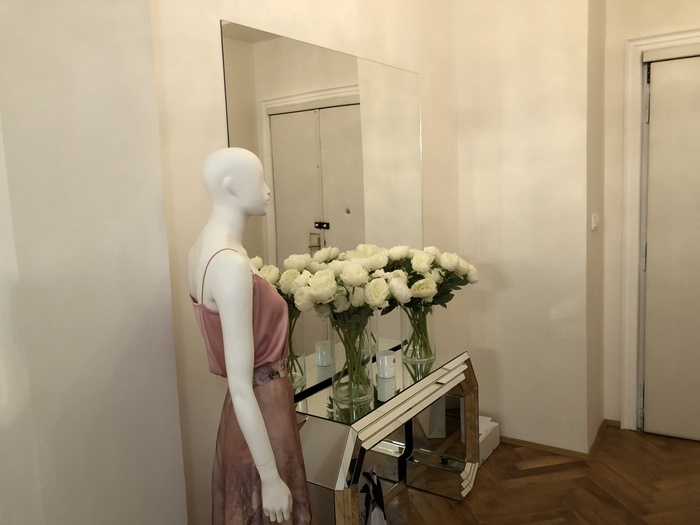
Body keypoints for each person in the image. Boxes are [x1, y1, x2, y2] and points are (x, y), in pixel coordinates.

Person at [188, 148, 312, 524]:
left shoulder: (203, 250)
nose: (267, 189)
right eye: (259, 180)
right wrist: (270, 477)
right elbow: (241, 385)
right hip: (261, 410)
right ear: (231, 186)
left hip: (250, 411)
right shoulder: (228, 263)